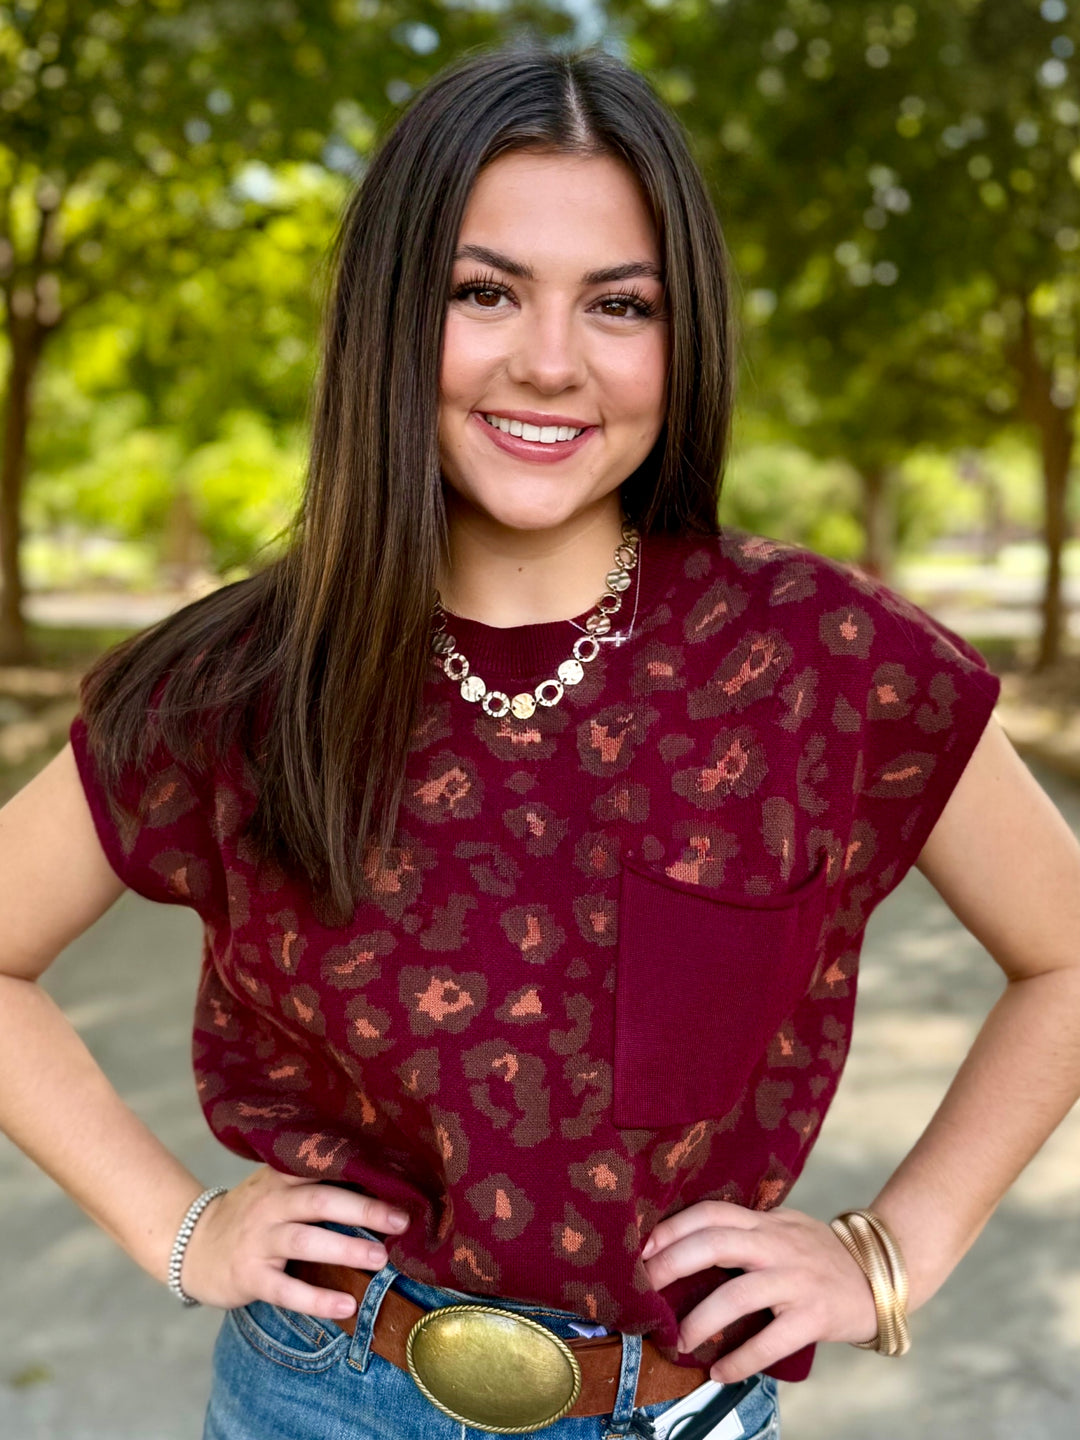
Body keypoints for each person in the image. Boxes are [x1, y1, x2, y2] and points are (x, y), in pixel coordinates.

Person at [2, 40, 1079, 1440]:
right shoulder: (238, 681)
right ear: (393, 313)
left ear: (684, 339)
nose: (552, 362)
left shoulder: (821, 659)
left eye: (621, 305)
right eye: (485, 292)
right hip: (321, 1400)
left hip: (671, 1406)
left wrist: (892, 1254)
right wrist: (178, 1225)